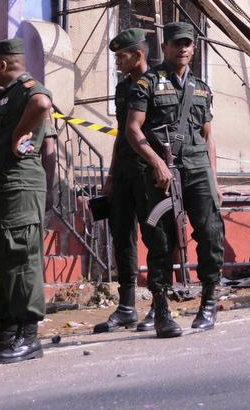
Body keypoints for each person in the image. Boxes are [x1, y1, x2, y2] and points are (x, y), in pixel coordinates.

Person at [125, 22, 225, 337]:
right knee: (160, 239)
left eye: (187, 44)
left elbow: (208, 137)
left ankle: (209, 299)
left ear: (193, 49)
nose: (182, 49)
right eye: (176, 44)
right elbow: (132, 129)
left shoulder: (201, 88)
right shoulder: (147, 84)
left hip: (197, 169)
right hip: (162, 171)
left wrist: (214, 180)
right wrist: (156, 163)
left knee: (210, 233)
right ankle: (161, 308)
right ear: (164, 47)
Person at [0, 38, 57, 365]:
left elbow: (42, 103)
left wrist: (18, 134)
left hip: (18, 188)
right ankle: (8, 324)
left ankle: (28, 333)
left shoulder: (26, 89)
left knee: (20, 256)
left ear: (1, 65)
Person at [95, 28, 158, 335]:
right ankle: (127, 307)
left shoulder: (160, 83)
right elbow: (123, 133)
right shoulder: (123, 89)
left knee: (155, 236)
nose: (118, 61)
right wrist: (110, 174)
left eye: (121, 56)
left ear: (138, 54)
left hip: (149, 172)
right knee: (122, 236)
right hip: (123, 174)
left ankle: (160, 305)